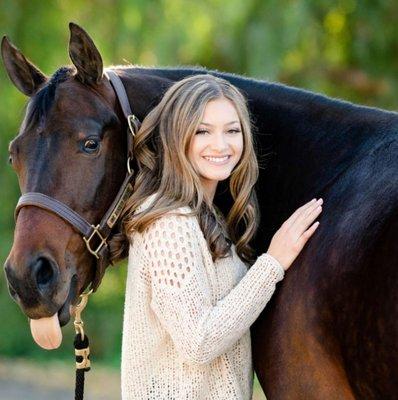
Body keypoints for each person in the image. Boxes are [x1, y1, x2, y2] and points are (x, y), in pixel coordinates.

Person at [119, 74, 323, 399]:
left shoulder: (208, 217)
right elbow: (198, 342)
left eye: (232, 130)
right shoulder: (169, 221)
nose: (221, 145)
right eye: (203, 131)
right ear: (177, 137)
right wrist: (273, 263)